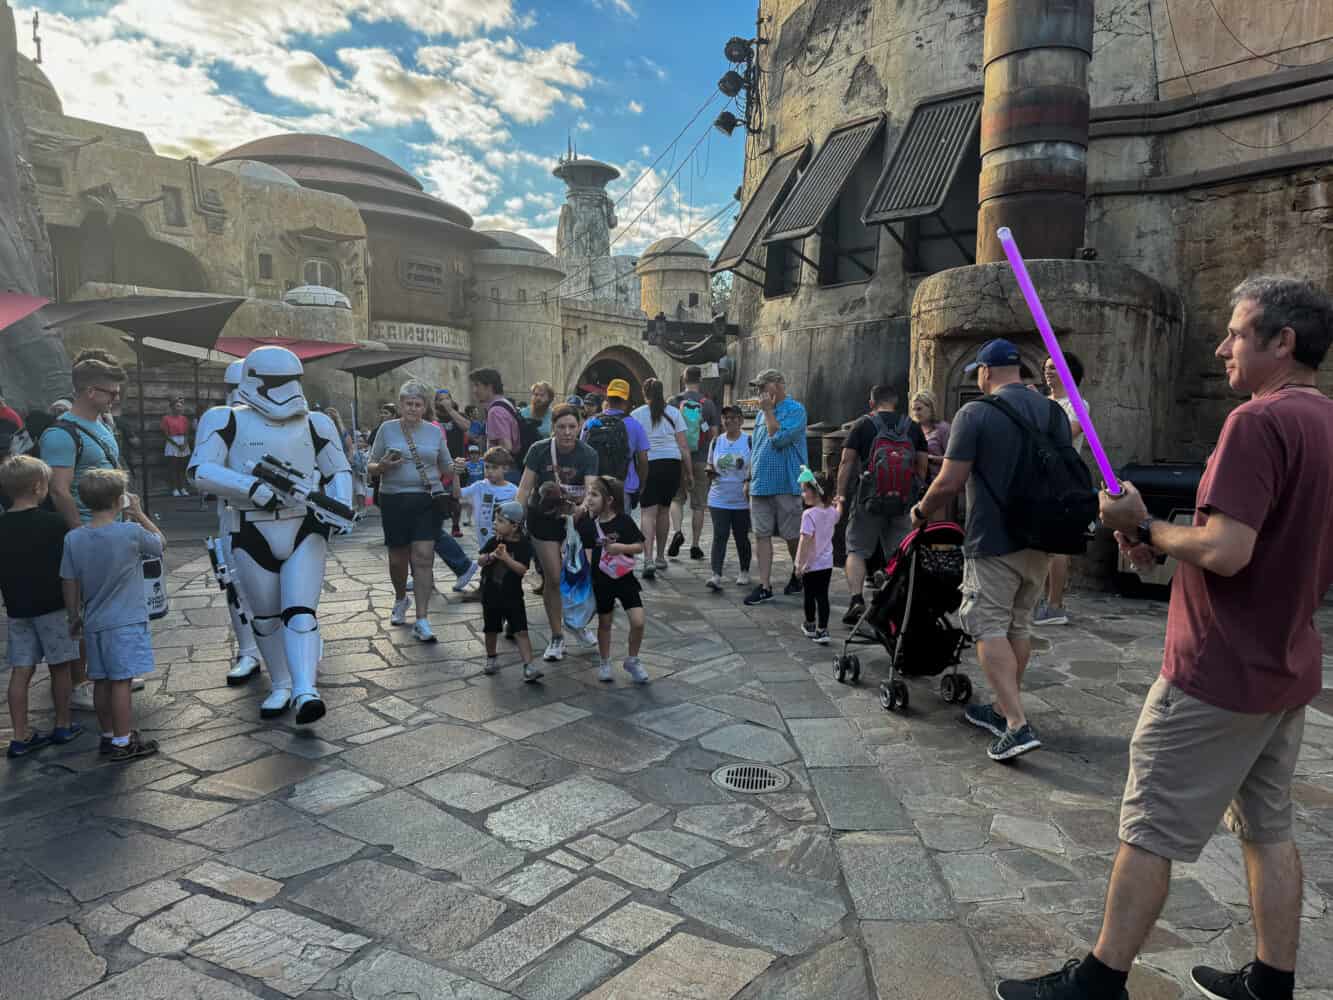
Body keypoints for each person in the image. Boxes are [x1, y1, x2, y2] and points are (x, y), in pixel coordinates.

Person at [996, 279, 1333, 1000]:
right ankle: (1270, 984)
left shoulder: (1255, 422)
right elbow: (1262, 546)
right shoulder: (1324, 421)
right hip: (1283, 665)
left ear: (1283, 342)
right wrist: (1165, 546)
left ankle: (1098, 983)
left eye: (1237, 333)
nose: (1220, 348)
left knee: (1148, 824)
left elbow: (1230, 548)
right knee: (1267, 828)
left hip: (1215, 670)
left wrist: (1144, 526)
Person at [909, 338, 1073, 762]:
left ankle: (1016, 723)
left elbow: (949, 481)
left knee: (987, 625)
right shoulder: (1053, 411)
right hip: (1042, 539)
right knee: (1018, 624)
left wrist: (920, 510)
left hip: (994, 538)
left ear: (985, 372)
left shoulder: (976, 413)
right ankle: (1001, 707)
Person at [191, 347, 353, 723]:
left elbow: (338, 470)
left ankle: (304, 689)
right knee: (265, 617)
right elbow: (200, 470)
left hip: (304, 524)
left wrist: (339, 505)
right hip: (248, 526)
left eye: (292, 381)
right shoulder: (224, 419)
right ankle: (281, 683)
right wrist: (250, 489)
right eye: (277, 383)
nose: (287, 391)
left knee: (300, 612)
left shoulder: (315, 423)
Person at [40, 349, 130, 712]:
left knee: (109, 605)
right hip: (87, 532)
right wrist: (80, 533)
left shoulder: (100, 425)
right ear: (90, 391)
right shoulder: (60, 434)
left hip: (112, 528)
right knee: (81, 609)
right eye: (111, 392)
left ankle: (106, 674)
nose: (116, 397)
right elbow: (58, 489)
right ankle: (79, 682)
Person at [60, 468, 165, 762]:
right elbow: (159, 545)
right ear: (121, 499)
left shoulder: (74, 538)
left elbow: (69, 580)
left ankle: (108, 735)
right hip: (126, 620)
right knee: (122, 681)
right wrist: (139, 514)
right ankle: (123, 740)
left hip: (94, 620)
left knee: (101, 680)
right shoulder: (130, 533)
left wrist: (73, 615)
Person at [367, 380, 470, 642]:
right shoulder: (387, 429)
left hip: (427, 499)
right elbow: (370, 465)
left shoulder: (434, 432)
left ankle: (422, 619)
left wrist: (456, 467)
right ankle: (401, 598)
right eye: (408, 404)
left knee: (424, 556)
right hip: (394, 499)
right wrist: (382, 467)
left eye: (418, 404)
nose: (413, 408)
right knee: (397, 559)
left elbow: (445, 466)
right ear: (401, 405)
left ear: (425, 407)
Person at [0, 456, 82, 757]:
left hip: (18, 608)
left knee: (21, 670)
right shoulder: (54, 524)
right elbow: (67, 569)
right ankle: (63, 724)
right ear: (38, 487)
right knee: (61, 668)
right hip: (54, 606)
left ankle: (19, 736)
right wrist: (75, 609)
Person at [836, 384, 929, 624]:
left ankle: (857, 599)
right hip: (903, 499)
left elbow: (847, 462)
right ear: (895, 403)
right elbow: (921, 464)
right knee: (899, 552)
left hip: (869, 499)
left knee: (856, 548)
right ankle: (894, 604)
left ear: (871, 403)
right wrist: (916, 493)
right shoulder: (912, 426)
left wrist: (841, 495)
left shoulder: (862, 425)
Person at [517, 402, 600, 662]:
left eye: (572, 427)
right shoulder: (539, 450)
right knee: (553, 577)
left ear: (580, 427)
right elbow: (524, 488)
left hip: (576, 519)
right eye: (561, 427)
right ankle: (556, 637)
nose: (566, 432)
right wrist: (514, 517)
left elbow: (590, 490)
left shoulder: (588, 454)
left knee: (580, 576)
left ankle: (577, 623)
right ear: (553, 427)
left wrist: (582, 509)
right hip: (543, 519)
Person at [743, 369, 808, 606]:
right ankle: (765, 585)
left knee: (792, 535)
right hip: (761, 483)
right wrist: (749, 477)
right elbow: (758, 446)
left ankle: (799, 573)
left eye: (763, 386)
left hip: (786, 483)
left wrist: (769, 412)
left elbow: (778, 438)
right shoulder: (762, 413)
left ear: (779, 384)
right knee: (761, 535)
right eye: (758, 387)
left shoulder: (796, 410)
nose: (760, 391)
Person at [1032, 351, 1087, 628]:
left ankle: (1055, 605)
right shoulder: (1045, 403)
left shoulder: (1077, 403)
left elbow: (1066, 435)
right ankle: (1041, 602)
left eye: (1054, 367)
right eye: (1046, 367)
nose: (1048, 371)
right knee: (1043, 543)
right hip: (1040, 478)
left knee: (1058, 545)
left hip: (1063, 478)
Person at [577, 476, 649, 684]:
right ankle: (605, 661)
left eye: (594, 494)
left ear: (609, 500)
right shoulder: (588, 526)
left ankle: (632, 660)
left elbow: (639, 546)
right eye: (588, 494)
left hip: (625, 578)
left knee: (638, 621)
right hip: (601, 581)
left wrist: (620, 548)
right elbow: (588, 553)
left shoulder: (624, 521)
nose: (588, 499)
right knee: (605, 622)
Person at [631, 378, 692, 580]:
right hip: (671, 465)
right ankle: (659, 557)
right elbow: (684, 447)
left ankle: (647, 559)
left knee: (647, 513)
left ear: (644, 393)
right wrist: (689, 473)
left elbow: (632, 446)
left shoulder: (637, 414)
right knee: (664, 511)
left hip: (648, 464)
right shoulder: (675, 413)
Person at [478, 501, 541, 682]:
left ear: (514, 526)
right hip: (491, 593)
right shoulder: (494, 541)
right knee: (491, 629)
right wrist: (491, 556)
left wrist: (505, 557)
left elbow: (522, 570)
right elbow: (480, 560)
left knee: (521, 631)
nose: (495, 524)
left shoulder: (523, 544)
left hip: (513, 595)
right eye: (495, 520)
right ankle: (491, 658)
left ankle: (529, 666)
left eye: (500, 521)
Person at [668, 365, 719, 562]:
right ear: (700, 380)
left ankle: (678, 531)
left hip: (678, 457)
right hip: (700, 458)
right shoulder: (708, 404)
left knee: (677, 499)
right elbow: (714, 435)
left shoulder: (674, 401)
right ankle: (695, 546)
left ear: (683, 379)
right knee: (698, 505)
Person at [581, 378, 650, 509]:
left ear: (607, 398)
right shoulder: (635, 425)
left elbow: (581, 452)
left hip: (595, 485)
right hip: (624, 486)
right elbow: (643, 460)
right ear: (626, 400)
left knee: (596, 527)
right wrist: (641, 484)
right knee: (620, 527)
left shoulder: (590, 422)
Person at [704, 405, 752, 591]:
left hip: (741, 499)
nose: (729, 421)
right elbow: (710, 463)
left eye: (733, 417)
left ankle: (744, 571)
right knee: (720, 535)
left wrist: (748, 480)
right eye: (725, 418)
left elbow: (754, 466)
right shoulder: (716, 442)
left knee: (741, 536)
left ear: (740, 420)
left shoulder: (749, 441)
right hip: (718, 497)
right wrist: (709, 470)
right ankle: (716, 574)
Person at [795, 468, 837, 645]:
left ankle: (810, 625)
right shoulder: (832, 511)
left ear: (815, 492)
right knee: (823, 596)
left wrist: (799, 564)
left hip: (810, 565)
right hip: (827, 563)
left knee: (809, 596)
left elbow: (805, 541)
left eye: (805, 490)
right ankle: (823, 630)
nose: (802, 494)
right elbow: (839, 512)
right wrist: (839, 501)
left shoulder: (808, 515)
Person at [456, 447, 519, 548]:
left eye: (494, 467)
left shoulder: (514, 491)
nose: (489, 471)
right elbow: (457, 494)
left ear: (505, 469)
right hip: (484, 545)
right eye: (487, 467)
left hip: (506, 544)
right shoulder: (479, 486)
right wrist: (456, 474)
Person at [910, 389, 950, 493]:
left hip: (938, 485)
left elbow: (952, 459)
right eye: (913, 409)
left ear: (931, 408)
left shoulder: (943, 429)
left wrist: (929, 458)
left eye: (919, 409)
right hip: (916, 485)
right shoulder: (912, 429)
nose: (915, 413)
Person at [161, 396, 191, 497]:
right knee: (173, 468)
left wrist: (185, 444)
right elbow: (166, 434)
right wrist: (177, 445)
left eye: (180, 407)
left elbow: (187, 433)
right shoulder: (166, 418)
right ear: (172, 407)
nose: (179, 409)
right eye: (177, 406)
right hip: (173, 443)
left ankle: (183, 487)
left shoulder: (184, 419)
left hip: (183, 442)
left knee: (182, 468)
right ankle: (174, 488)